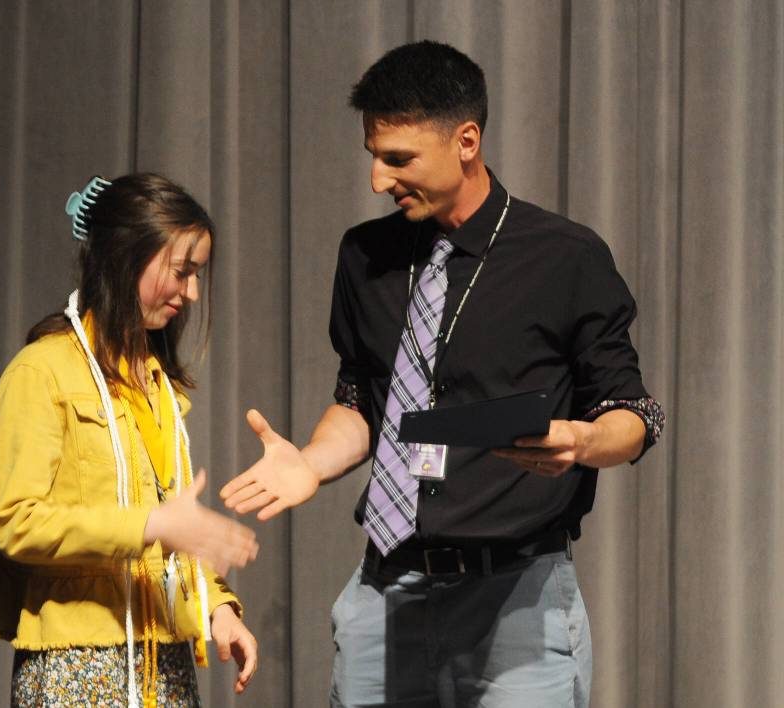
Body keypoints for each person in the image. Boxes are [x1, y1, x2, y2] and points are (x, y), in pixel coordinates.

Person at [221, 41, 665, 708]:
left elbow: (634, 413)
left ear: (466, 141)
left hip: (517, 603)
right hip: (386, 594)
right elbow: (360, 399)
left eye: (398, 159)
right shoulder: (365, 256)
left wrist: (582, 441)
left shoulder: (565, 257)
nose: (378, 180)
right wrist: (309, 463)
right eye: (373, 155)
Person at [0, 173, 259, 707]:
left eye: (197, 275)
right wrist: (152, 525)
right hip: (77, 666)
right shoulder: (41, 372)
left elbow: (168, 528)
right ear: (126, 256)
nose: (192, 293)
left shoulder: (157, 384)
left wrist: (217, 608)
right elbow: (18, 523)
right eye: (182, 271)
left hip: (163, 665)